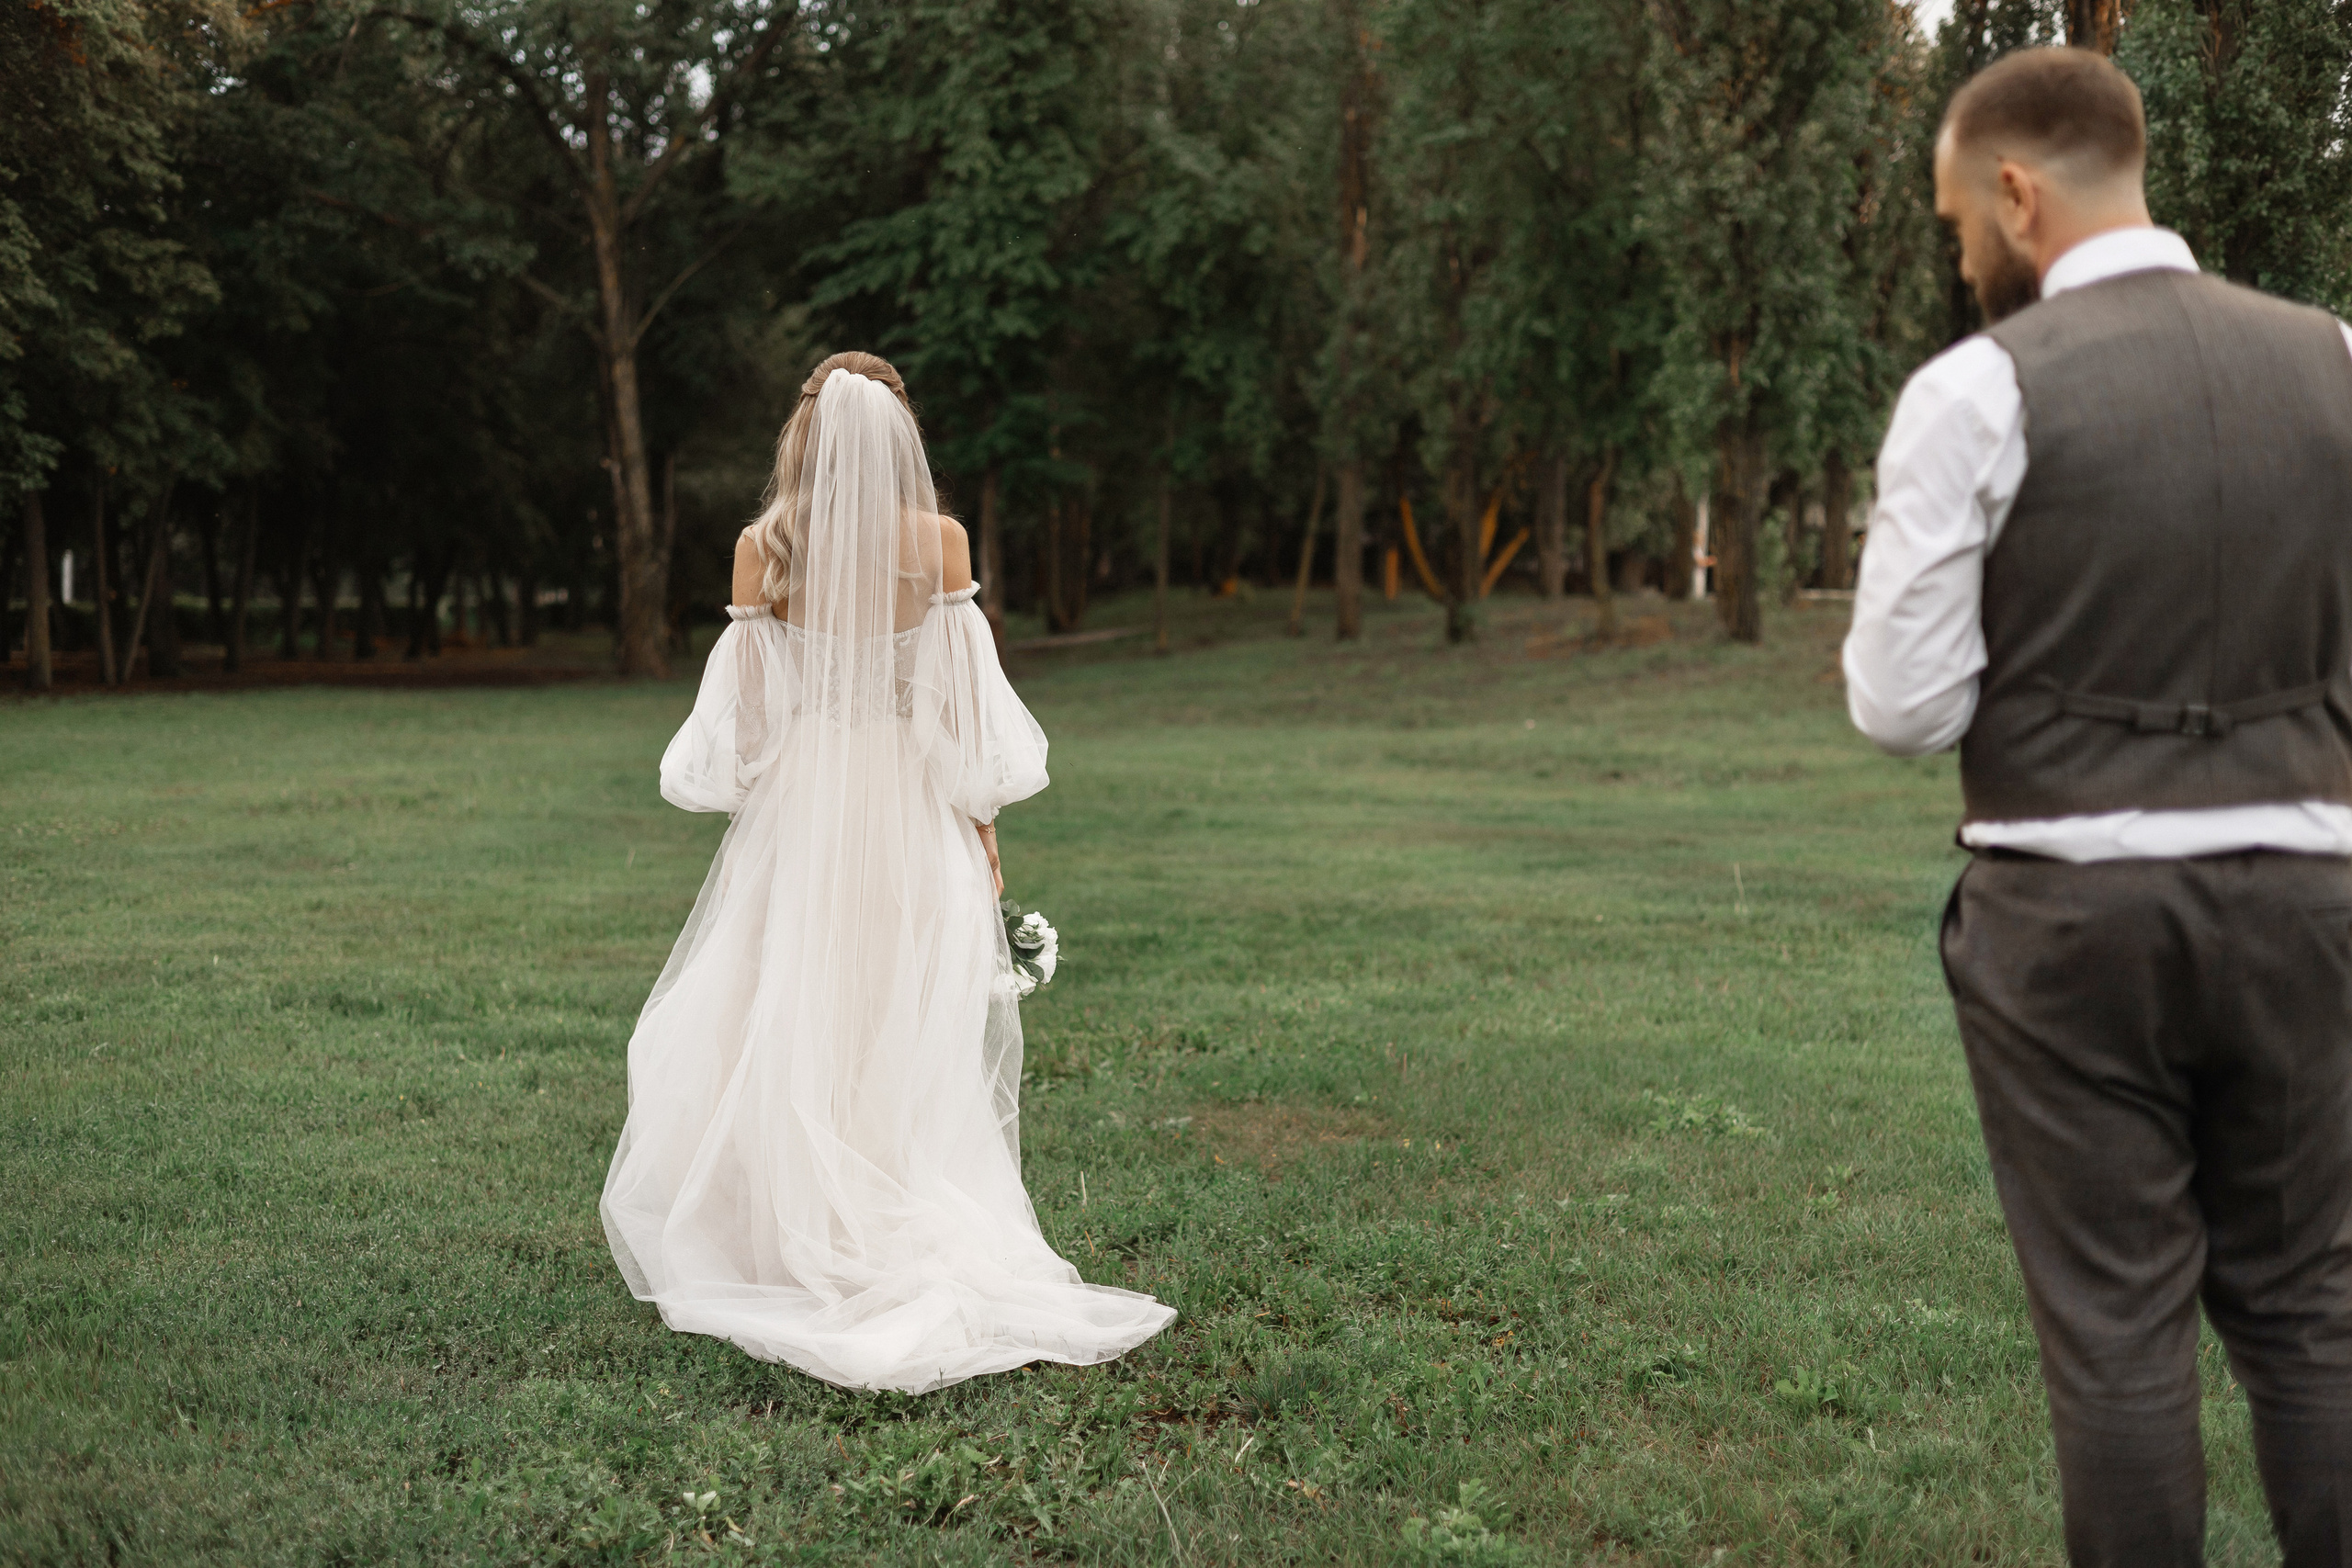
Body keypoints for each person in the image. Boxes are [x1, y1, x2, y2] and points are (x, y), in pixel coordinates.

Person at [1844, 46, 2352, 1568]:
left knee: (2119, 1331)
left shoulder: (1976, 389)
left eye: (1956, 225)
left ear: (2016, 193)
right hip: (2310, 899)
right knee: (2315, 1310)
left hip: (2069, 915)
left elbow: (1903, 706)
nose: (1962, 259)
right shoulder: (2335, 355)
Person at [599, 352, 1174, 1393]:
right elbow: (960, 709)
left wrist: (785, 793)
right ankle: (890, 1203)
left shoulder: (763, 549)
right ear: (899, 437)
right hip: (911, 809)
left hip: (807, 808)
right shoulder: (938, 543)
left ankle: (793, 1230)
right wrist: (983, 828)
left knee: (797, 1004)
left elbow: (750, 728)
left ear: (805, 435)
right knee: (899, 1015)